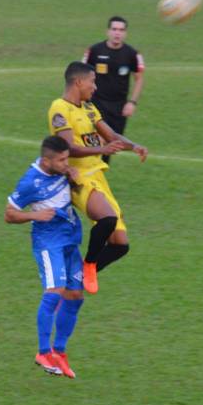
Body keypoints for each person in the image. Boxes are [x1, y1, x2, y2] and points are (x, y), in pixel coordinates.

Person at [48, 62, 149, 295]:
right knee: (107, 219)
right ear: (78, 82)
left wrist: (134, 146)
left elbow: (111, 136)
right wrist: (101, 150)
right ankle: (89, 264)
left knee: (120, 245)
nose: (95, 87)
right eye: (92, 82)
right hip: (77, 177)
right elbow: (69, 148)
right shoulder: (59, 109)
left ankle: (79, 274)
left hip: (98, 176)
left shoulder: (89, 108)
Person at [5, 136, 84, 378]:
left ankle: (59, 352)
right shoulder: (31, 181)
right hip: (49, 242)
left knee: (75, 295)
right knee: (54, 291)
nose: (65, 163)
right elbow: (9, 214)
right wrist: (34, 216)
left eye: (66, 158)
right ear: (46, 160)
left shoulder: (62, 171)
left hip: (70, 239)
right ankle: (43, 351)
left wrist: (75, 181)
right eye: (61, 160)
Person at [82, 16, 145, 164]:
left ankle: (98, 180)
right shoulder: (94, 51)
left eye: (121, 30)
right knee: (94, 142)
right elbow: (81, 75)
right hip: (96, 104)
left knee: (112, 146)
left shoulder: (132, 54)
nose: (117, 33)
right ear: (108, 31)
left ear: (125, 33)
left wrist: (132, 102)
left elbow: (139, 78)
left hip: (119, 108)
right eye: (114, 29)